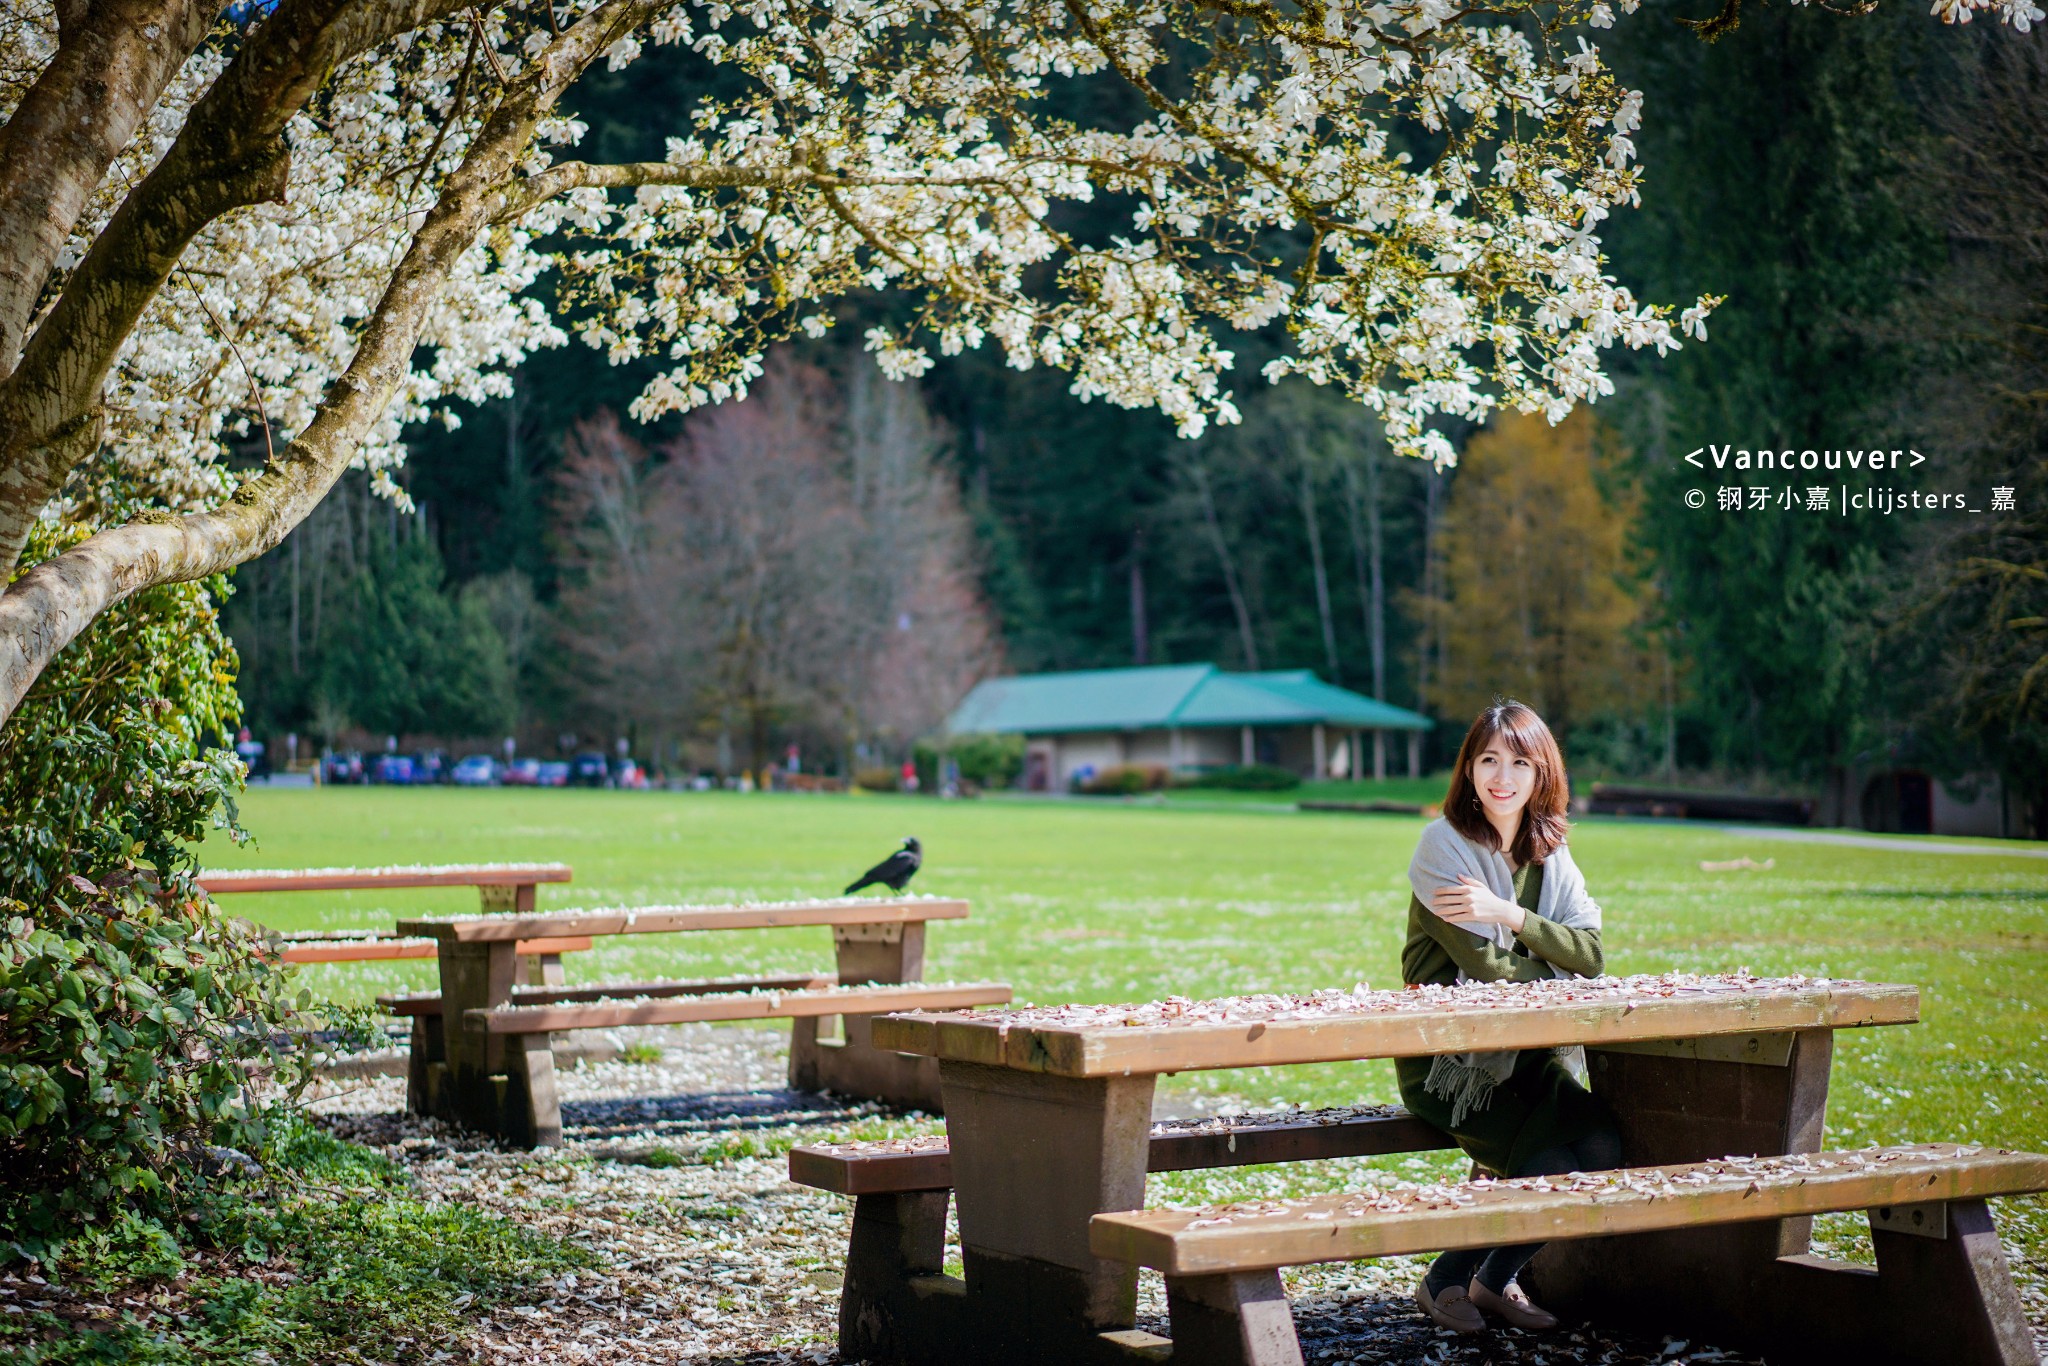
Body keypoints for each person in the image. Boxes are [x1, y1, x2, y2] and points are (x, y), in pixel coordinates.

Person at [1400, 698, 1621, 1334]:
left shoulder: (1550, 854)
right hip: (1452, 1063)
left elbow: (1593, 956)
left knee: (1603, 1146)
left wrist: (1513, 918)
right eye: (1488, 760)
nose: (1502, 776)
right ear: (1468, 769)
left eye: (1519, 762)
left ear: (1541, 773)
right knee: (1549, 1167)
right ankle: (1444, 1280)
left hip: (1527, 1054)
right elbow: (1491, 973)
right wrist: (1552, 962)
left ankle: (1492, 1282)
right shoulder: (1443, 847)